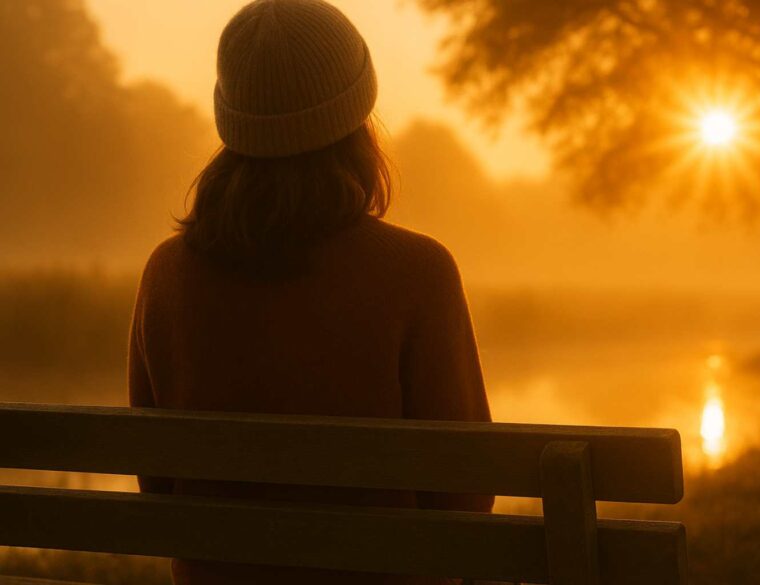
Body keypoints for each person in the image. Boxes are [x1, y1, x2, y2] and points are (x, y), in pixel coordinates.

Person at [127, 1, 493, 583]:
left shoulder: (167, 274)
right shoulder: (418, 272)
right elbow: (467, 493)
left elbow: (158, 482)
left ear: (232, 121)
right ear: (357, 117)